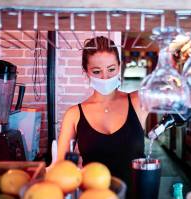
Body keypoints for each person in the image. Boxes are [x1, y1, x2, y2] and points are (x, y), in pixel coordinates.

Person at [57, 36, 148, 192]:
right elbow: (61, 167)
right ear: (86, 71)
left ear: (120, 67)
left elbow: (175, 98)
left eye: (111, 69)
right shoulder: (74, 114)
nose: (105, 77)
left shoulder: (138, 100)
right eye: (97, 71)